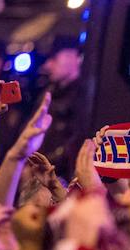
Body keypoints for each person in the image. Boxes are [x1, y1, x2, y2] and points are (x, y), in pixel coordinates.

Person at [36, 35, 84, 180]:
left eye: (54, 58)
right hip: (44, 176)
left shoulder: (87, 97)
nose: (47, 65)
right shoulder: (48, 94)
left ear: (72, 56)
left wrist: (46, 165)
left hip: (66, 179)